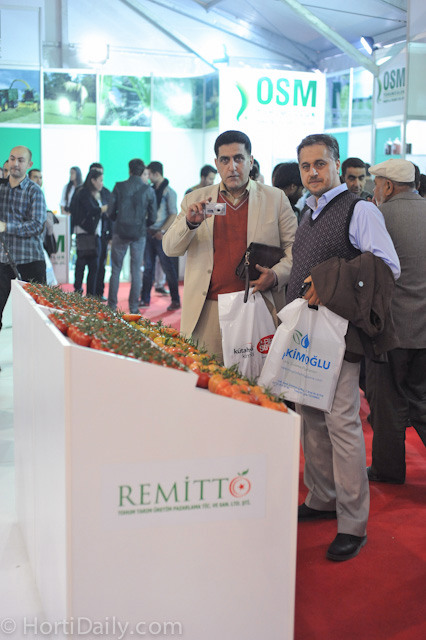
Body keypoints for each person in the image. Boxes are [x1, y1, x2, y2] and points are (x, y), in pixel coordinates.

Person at [288, 133, 400, 562]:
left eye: (320, 164)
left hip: (340, 332)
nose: (313, 172)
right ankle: (322, 497)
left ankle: (353, 522)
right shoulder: (308, 210)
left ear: (336, 164)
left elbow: (386, 266)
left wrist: (331, 283)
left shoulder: (360, 209)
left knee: (342, 423)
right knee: (311, 415)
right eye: (306, 166)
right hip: (306, 330)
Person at [162, 130, 297, 361]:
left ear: (250, 161)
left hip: (258, 305)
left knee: (256, 380)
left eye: (239, 158)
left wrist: (276, 275)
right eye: (225, 160)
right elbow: (170, 248)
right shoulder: (195, 200)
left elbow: (295, 250)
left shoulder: (275, 199)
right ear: (216, 164)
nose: (232, 167)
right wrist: (190, 224)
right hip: (208, 309)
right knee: (206, 375)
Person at [365, 159, 426, 484]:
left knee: (387, 402)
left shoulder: (379, 217)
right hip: (423, 330)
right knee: (423, 401)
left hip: (391, 330)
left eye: (376, 184)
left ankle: (387, 469)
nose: (375, 190)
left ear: (387, 186)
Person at [0, 146, 47, 333]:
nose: (15, 163)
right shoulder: (1, 189)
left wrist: (6, 226)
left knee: (38, 316)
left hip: (30, 261)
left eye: (20, 160)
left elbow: (37, 225)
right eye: (12, 159)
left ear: (29, 164)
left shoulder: (35, 191)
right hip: (3, 261)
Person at [107, 159, 156, 314]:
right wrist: (143, 224)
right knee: (136, 270)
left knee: (116, 269)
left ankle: (111, 306)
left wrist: (118, 220)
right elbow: (153, 217)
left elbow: (110, 212)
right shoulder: (148, 190)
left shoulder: (118, 187)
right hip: (139, 233)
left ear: (129, 170)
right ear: (142, 172)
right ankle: (134, 307)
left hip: (120, 231)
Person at [140, 161, 181, 311]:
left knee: (168, 268)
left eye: (149, 174)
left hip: (162, 236)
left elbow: (173, 214)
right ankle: (145, 299)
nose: (147, 177)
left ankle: (175, 300)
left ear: (156, 174)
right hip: (149, 233)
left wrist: (162, 231)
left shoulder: (169, 192)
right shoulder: (149, 190)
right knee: (148, 268)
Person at [72, 168, 107, 295]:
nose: (102, 183)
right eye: (100, 180)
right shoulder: (83, 192)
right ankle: (79, 291)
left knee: (94, 266)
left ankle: (91, 295)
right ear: (93, 180)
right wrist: (103, 209)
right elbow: (91, 210)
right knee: (83, 264)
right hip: (84, 233)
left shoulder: (101, 193)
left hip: (96, 234)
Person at [88, 162, 112, 300]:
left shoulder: (106, 192)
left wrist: (111, 234)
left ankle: (99, 292)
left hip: (103, 233)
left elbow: (111, 215)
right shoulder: (84, 192)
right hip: (88, 234)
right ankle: (86, 293)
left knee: (101, 264)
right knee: (88, 264)